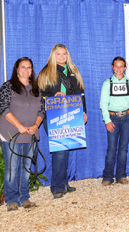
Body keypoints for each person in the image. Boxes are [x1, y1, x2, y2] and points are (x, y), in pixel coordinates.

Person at [38, 44, 87, 199]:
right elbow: (39, 95)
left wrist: (83, 111)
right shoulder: (46, 72)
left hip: (72, 113)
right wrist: (53, 97)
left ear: (68, 55)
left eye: (64, 54)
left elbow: (81, 93)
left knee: (65, 149)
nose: (61, 57)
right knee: (60, 150)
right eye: (58, 54)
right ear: (53, 55)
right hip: (52, 115)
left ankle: (64, 183)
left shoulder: (74, 71)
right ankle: (57, 187)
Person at [0, 57, 45, 211]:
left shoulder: (36, 88)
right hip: (11, 133)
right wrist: (19, 126)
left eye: (29, 67)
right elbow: (4, 108)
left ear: (32, 70)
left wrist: (35, 125)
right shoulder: (8, 86)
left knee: (26, 167)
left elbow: (41, 110)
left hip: (30, 134)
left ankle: (24, 197)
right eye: (23, 67)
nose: (26, 70)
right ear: (17, 70)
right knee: (12, 168)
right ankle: (11, 199)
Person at [100, 57, 129, 186]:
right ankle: (108, 177)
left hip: (127, 117)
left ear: (125, 68)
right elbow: (103, 104)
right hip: (113, 118)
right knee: (111, 149)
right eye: (116, 66)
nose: (118, 69)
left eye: (121, 66)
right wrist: (107, 120)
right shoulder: (108, 83)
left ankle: (121, 175)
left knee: (123, 149)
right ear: (112, 67)